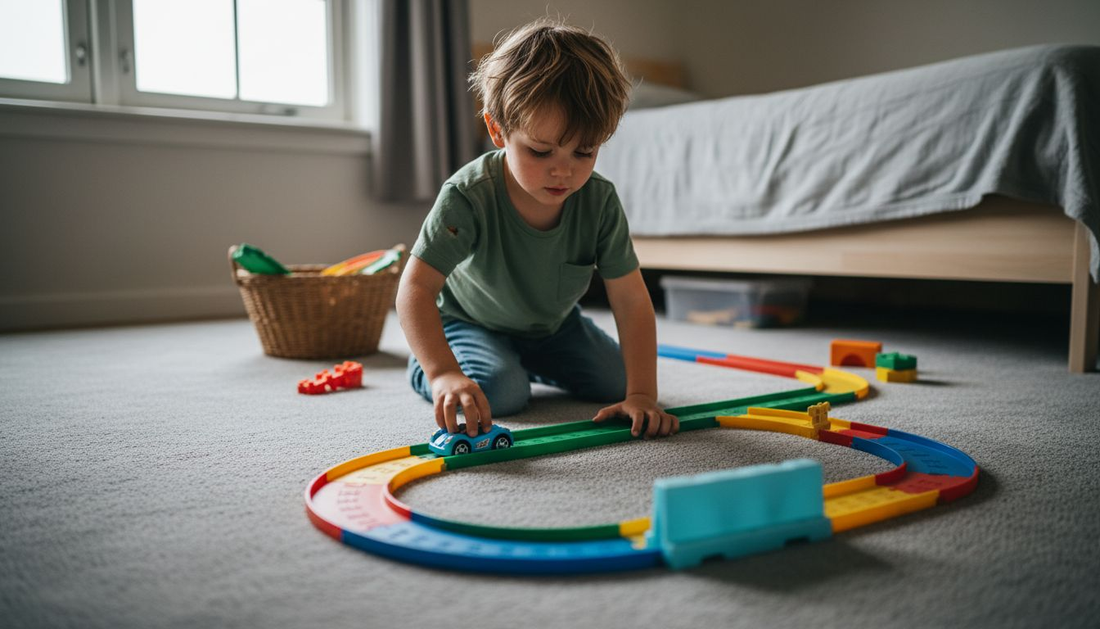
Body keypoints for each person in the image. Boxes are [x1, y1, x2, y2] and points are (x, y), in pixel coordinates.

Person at [396, 19, 679, 442]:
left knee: (622, 381)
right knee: (501, 392)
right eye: (540, 151)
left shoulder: (599, 200)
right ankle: (431, 364)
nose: (563, 170)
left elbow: (632, 298)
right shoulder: (468, 195)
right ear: (498, 131)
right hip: (469, 323)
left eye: (584, 152)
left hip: (554, 328)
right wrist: (442, 373)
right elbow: (414, 289)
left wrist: (641, 393)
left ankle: (516, 359)